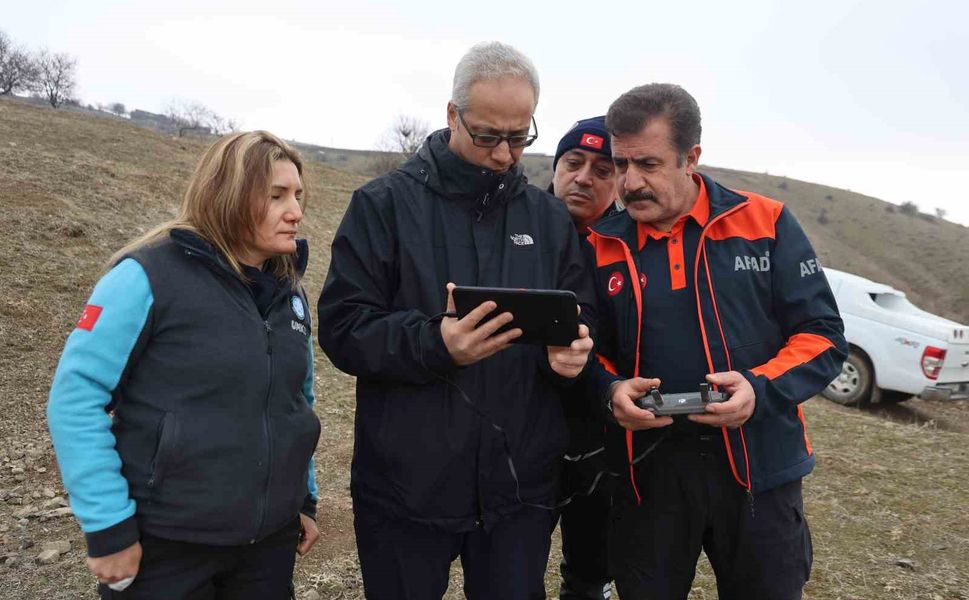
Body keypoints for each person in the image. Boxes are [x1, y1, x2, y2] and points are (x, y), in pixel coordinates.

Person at [316, 41, 595, 600]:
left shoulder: (548, 219)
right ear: (452, 115)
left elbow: (584, 315)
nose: (504, 154)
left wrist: (574, 352)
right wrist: (434, 343)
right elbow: (343, 327)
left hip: (519, 491)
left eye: (520, 138)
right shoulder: (383, 205)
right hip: (406, 489)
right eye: (488, 135)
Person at [584, 84, 848, 600]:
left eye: (649, 164)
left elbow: (823, 336)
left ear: (692, 158)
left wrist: (759, 387)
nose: (630, 182)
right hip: (648, 474)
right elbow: (585, 351)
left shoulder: (765, 221)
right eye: (620, 164)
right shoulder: (600, 242)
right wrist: (610, 391)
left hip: (759, 469)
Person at [47, 131, 322, 600]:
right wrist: (108, 526)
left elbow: (298, 400)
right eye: (276, 196)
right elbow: (76, 398)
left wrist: (303, 498)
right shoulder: (147, 276)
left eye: (297, 195)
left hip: (267, 547)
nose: (295, 211)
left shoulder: (288, 291)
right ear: (228, 196)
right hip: (168, 545)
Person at [548, 116, 619, 600]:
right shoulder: (513, 230)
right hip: (521, 427)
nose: (584, 177)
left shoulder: (629, 245)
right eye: (574, 162)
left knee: (590, 569)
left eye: (602, 169)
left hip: (600, 437)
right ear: (555, 168)